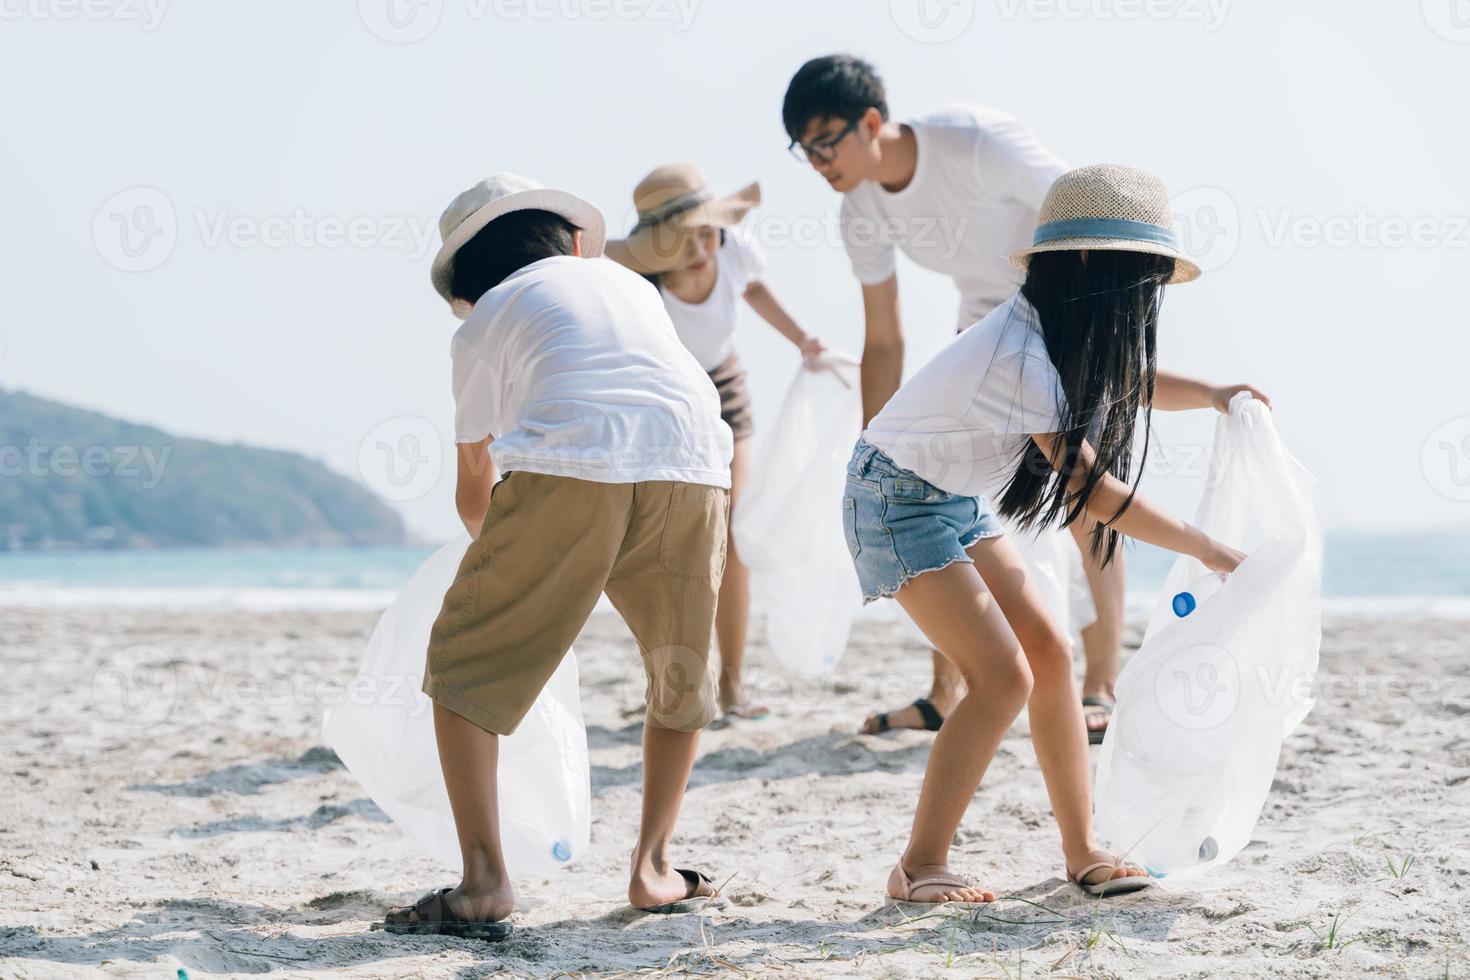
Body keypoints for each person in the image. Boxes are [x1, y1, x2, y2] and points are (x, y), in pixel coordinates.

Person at [781, 53, 1269, 740]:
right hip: (992, 335)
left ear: (870, 121)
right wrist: (880, 447)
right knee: (950, 496)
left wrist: (1213, 390)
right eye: (805, 151)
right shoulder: (859, 210)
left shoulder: (975, 142)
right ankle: (946, 690)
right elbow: (884, 339)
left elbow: (1089, 223)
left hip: (1066, 309)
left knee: (1082, 499)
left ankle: (1100, 685)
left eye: (825, 140)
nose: (818, 160)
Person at [842, 163, 1246, 902]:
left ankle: (1081, 849)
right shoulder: (1023, 355)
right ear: (1090, 264)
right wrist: (1210, 550)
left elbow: (1140, 378)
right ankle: (919, 866)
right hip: (893, 502)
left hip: (949, 499)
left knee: (1050, 656)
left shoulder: (1057, 333)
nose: (1145, 296)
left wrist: (1218, 395)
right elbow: (1095, 494)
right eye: (1142, 276)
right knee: (1003, 678)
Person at [381, 173, 733, 939]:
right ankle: (653, 869)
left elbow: (477, 485)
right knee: (679, 670)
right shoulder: (630, 286)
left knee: (462, 664)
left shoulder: (484, 323)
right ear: (574, 241)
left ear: (467, 285)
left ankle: (483, 881)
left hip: (574, 465)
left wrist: (500, 573)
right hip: (698, 465)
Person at [606, 164, 827, 720]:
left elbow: (754, 290)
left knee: (732, 535)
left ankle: (731, 687)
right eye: (686, 239)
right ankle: (668, 683)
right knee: (661, 544)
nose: (704, 246)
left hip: (725, 389)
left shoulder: (730, 249)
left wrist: (803, 340)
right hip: (663, 400)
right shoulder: (642, 287)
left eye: (709, 230)